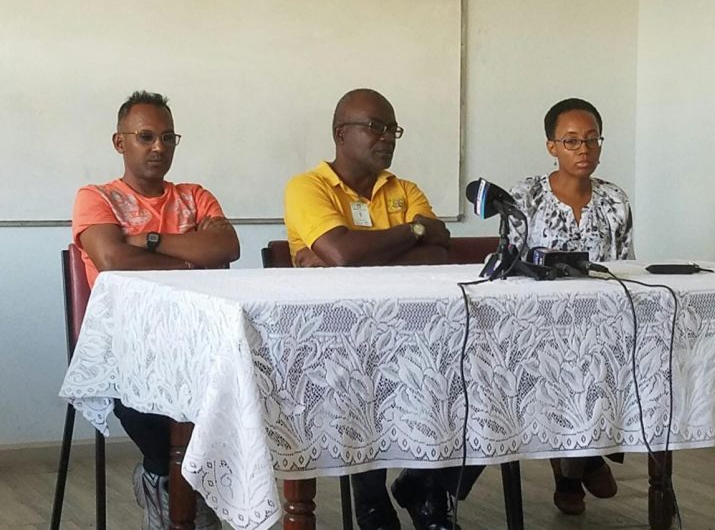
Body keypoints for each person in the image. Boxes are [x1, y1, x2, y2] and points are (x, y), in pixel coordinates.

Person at [284, 88, 475, 530]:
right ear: (340, 133)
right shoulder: (307, 187)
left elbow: (438, 254)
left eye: (393, 129)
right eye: (375, 127)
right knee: (364, 377)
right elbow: (345, 251)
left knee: (472, 371)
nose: (387, 137)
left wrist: (351, 254)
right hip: (338, 339)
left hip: (417, 332)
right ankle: (371, 500)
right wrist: (413, 232)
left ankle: (425, 488)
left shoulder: (404, 189)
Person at [72, 91, 240, 530]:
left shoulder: (194, 195)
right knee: (143, 398)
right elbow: (111, 259)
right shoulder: (96, 198)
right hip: (128, 342)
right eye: (146, 137)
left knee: (240, 380)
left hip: (201, 335)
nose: (159, 147)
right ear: (119, 142)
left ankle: (189, 483)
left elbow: (226, 247)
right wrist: (192, 257)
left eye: (168, 137)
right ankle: (167, 479)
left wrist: (146, 240)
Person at [508, 97, 633, 516]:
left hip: (601, 322)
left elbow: (624, 267)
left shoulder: (615, 200)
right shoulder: (527, 196)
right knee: (560, 365)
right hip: (539, 324)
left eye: (592, 140)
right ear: (552, 147)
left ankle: (575, 466)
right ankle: (579, 464)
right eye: (572, 141)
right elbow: (508, 264)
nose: (584, 149)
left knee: (600, 359)